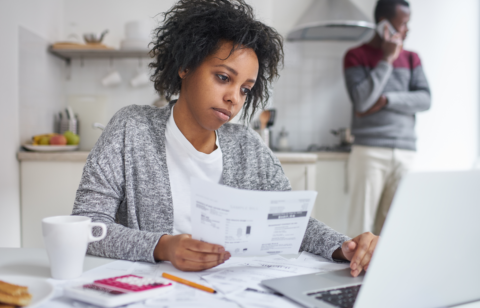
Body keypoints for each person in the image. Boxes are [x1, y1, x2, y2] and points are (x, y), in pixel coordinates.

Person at [73, 0, 378, 277]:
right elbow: (87, 227)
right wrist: (161, 247)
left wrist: (346, 248)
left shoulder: (249, 147)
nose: (234, 98)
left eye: (245, 89)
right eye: (223, 77)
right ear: (185, 66)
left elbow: (291, 224)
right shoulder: (131, 128)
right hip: (150, 294)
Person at [343, 0, 431, 237]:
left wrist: (386, 100)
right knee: (359, 230)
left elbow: (425, 99)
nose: (407, 30)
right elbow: (362, 101)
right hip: (369, 152)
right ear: (384, 25)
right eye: (403, 24)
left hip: (405, 152)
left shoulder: (413, 59)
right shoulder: (355, 56)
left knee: (396, 230)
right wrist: (387, 61)